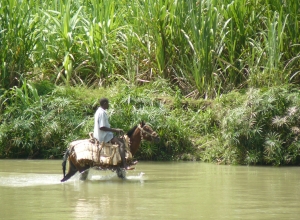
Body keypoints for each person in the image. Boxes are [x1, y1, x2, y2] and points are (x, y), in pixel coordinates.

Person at [94, 98, 134, 170]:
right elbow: (102, 127)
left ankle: (126, 161)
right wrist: (115, 130)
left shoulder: (98, 111)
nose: (108, 105)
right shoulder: (102, 113)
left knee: (122, 140)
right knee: (121, 144)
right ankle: (125, 165)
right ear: (105, 103)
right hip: (104, 135)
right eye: (108, 103)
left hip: (102, 134)